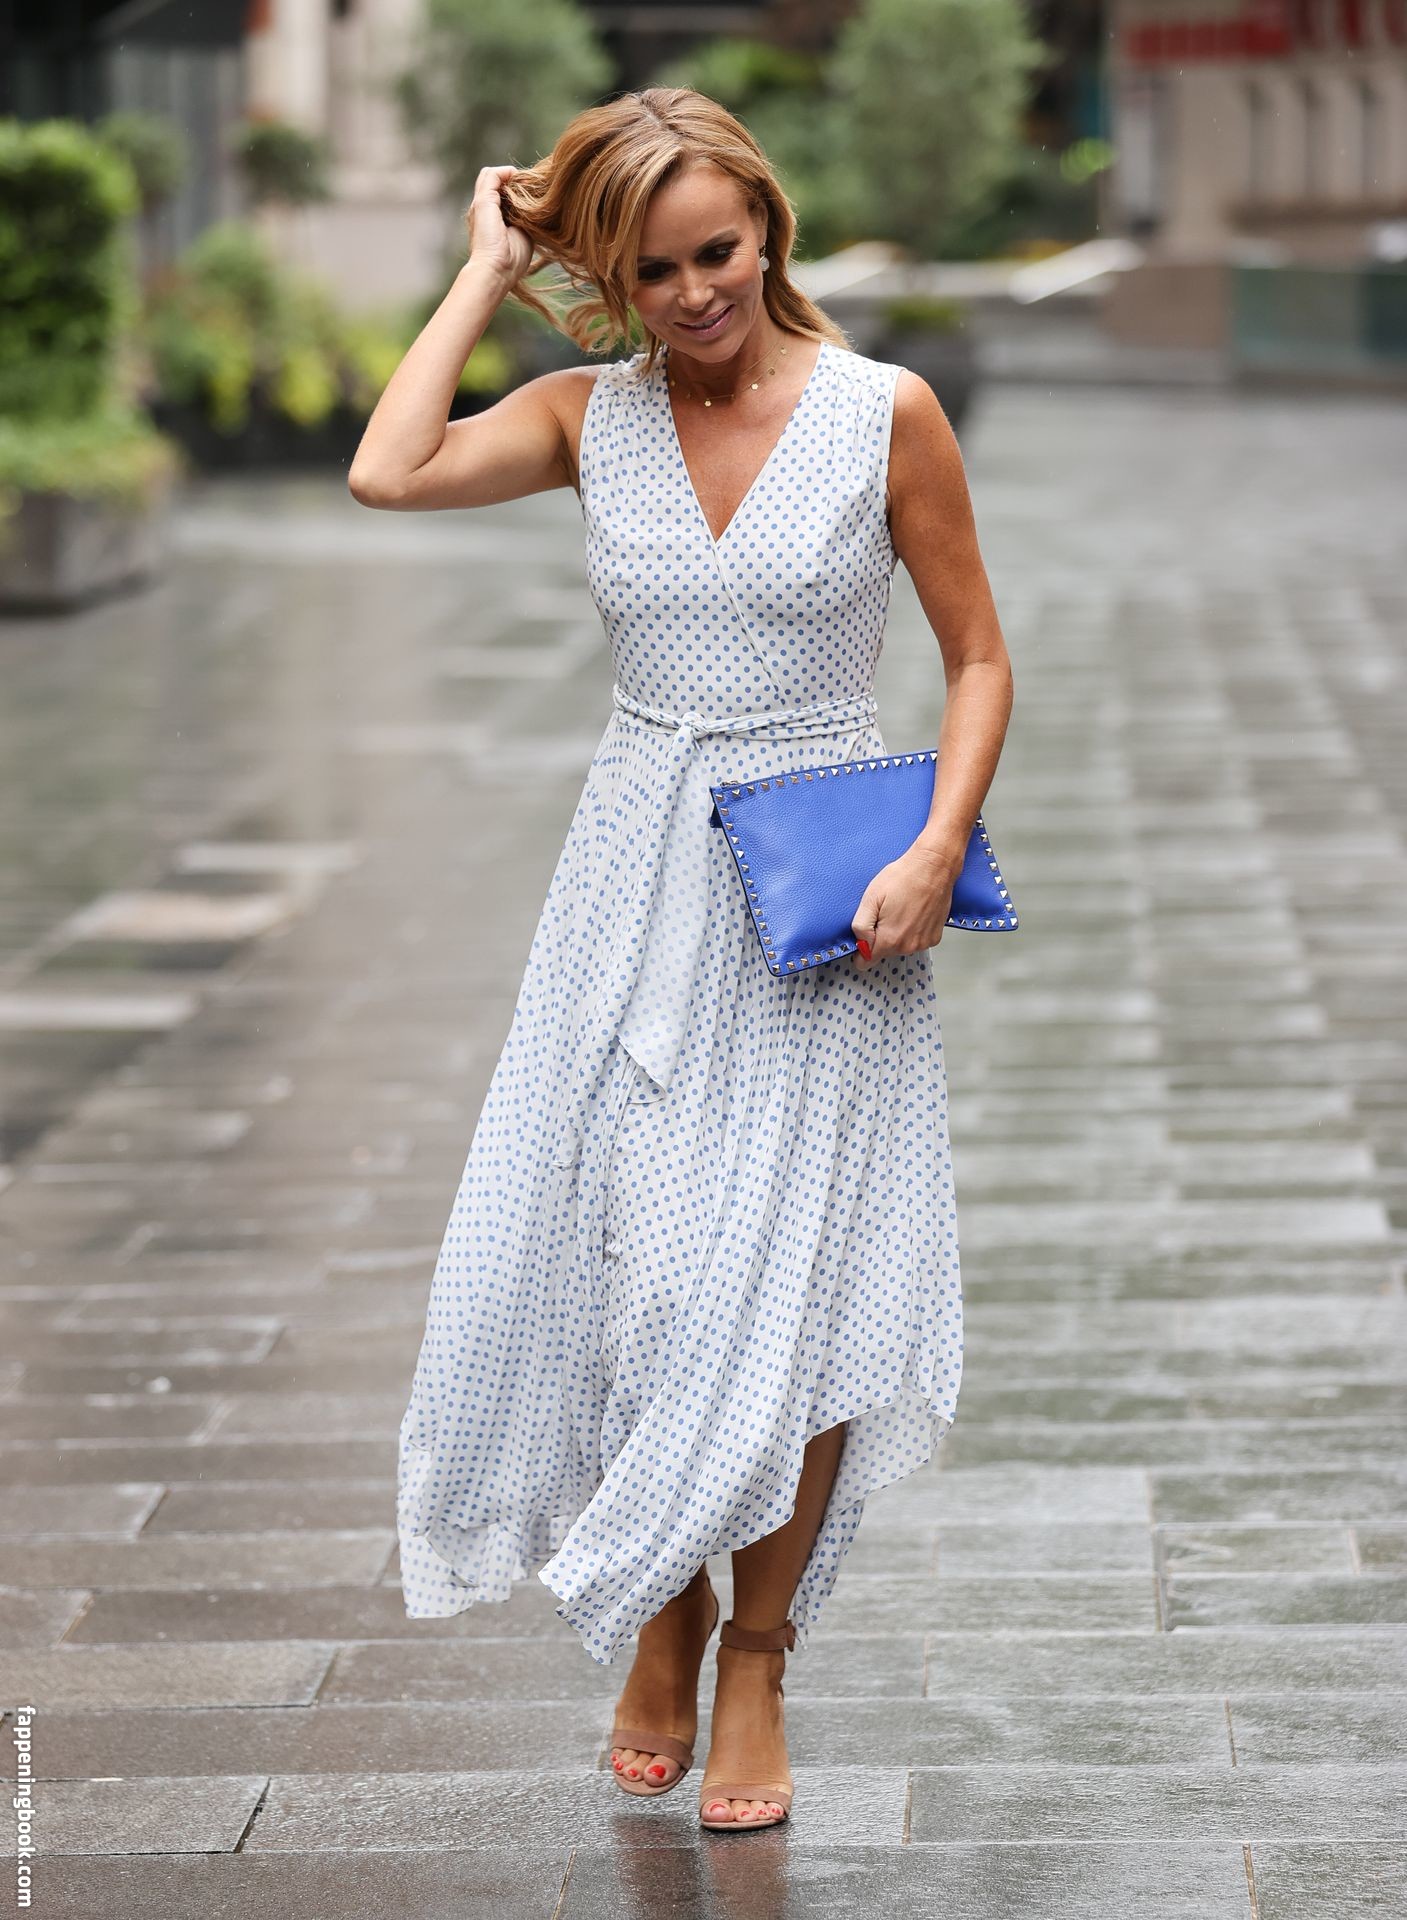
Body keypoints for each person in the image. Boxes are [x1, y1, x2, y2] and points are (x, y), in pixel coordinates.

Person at [348, 86, 1012, 1834]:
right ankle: (664, 1601)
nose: (696, 292)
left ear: (767, 228)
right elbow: (387, 470)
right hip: (631, 884)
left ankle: (757, 1656)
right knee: (643, 1276)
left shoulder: (884, 412)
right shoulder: (590, 418)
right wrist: (485, 273)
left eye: (716, 250)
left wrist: (935, 848)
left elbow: (977, 658)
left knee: (798, 1290)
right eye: (651, 270)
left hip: (822, 901)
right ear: (610, 278)